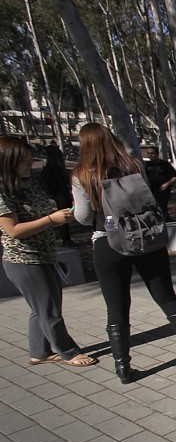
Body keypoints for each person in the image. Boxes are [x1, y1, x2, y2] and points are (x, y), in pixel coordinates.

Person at [72, 123, 176, 382]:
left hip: (108, 242)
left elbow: (83, 216)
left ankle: (123, 368)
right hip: (146, 238)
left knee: (117, 307)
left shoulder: (81, 175)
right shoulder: (134, 165)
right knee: (166, 296)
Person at [0, 136, 96, 368]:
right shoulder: (3, 193)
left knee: (42, 307)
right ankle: (68, 351)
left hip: (45, 256)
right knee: (48, 309)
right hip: (24, 260)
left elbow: (41, 211)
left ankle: (39, 352)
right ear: (8, 162)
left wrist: (59, 212)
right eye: (23, 160)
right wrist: (51, 219)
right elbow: (13, 230)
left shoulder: (28, 184)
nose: (29, 163)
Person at [39, 144, 73, 245]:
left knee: (64, 217)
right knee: (62, 217)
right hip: (59, 194)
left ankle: (66, 238)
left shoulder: (49, 169)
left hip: (59, 194)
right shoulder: (53, 170)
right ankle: (66, 239)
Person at [143, 145, 176, 219]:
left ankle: (167, 222)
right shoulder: (146, 165)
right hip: (151, 189)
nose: (150, 155)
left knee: (162, 208)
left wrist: (166, 185)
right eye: (148, 153)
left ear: (157, 154)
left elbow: (175, 176)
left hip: (163, 189)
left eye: (152, 153)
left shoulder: (165, 164)